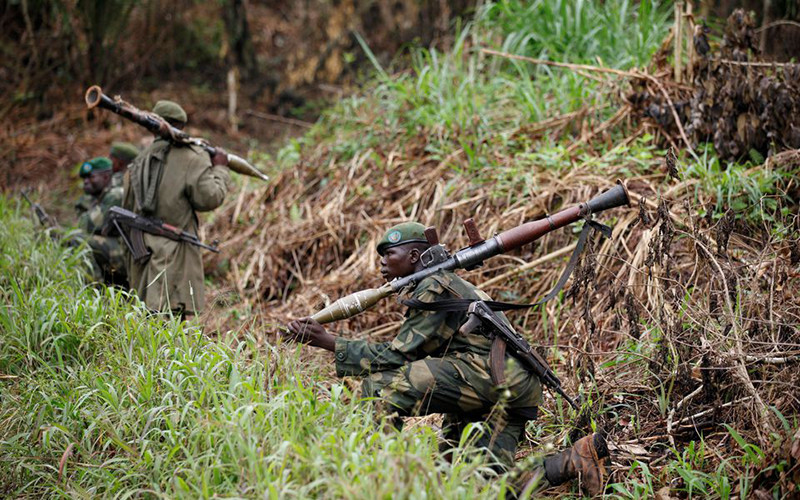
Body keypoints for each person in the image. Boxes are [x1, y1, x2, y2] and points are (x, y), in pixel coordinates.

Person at [284, 222, 609, 496]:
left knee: (380, 388)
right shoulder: (438, 285)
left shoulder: (435, 284)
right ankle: (574, 460)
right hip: (508, 389)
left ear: (414, 256)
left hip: (491, 378)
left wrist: (329, 342)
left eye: (389, 254)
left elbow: (398, 355)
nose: (381, 263)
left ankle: (378, 477)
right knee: (473, 488)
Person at [122, 99, 230, 318]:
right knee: (168, 323)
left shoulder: (138, 160)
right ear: (181, 126)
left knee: (145, 323)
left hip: (140, 253)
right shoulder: (191, 157)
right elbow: (210, 197)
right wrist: (220, 168)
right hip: (173, 257)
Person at [74, 156, 127, 287]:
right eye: (84, 178)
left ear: (105, 177)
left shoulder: (116, 194)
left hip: (128, 253)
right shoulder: (102, 195)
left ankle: (93, 291)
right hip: (119, 249)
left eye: (91, 177)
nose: (85, 182)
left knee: (80, 241)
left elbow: (87, 224)